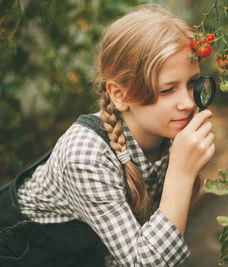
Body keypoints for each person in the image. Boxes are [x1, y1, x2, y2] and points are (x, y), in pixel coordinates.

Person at [0, 4, 215, 266]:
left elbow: (147, 232)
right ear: (119, 94)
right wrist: (181, 174)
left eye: (192, 83)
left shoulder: (170, 132)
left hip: (89, 245)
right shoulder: (85, 157)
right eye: (167, 90)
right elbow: (141, 261)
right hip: (26, 252)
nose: (188, 103)